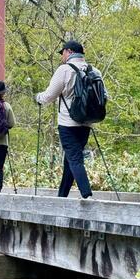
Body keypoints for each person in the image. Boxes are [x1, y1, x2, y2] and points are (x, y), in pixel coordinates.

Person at [35, 40, 100, 199]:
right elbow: (103, 96)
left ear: (69, 52)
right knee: (70, 160)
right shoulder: (94, 71)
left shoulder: (64, 70)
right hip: (86, 123)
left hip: (68, 123)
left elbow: (50, 95)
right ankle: (62, 196)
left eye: (62, 52)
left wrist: (37, 97)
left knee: (75, 159)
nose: (62, 56)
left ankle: (87, 195)